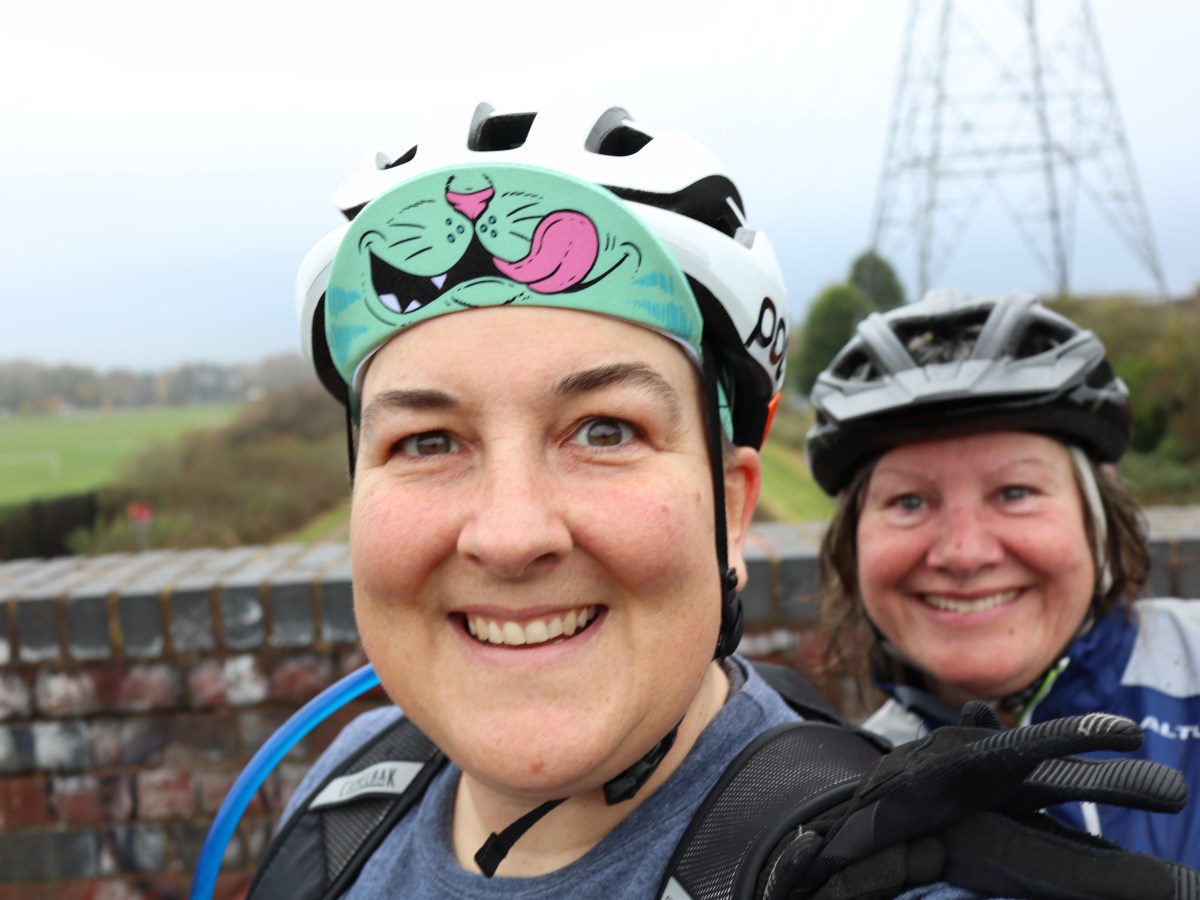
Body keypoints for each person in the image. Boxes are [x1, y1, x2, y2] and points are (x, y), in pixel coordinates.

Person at [246, 103, 1196, 900]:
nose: (509, 533)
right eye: (427, 441)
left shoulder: (880, 869)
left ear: (733, 510)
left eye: (605, 430)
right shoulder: (348, 790)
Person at [807, 287, 1200, 868]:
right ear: (853, 542)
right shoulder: (828, 803)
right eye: (909, 501)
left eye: (1016, 492)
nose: (964, 553)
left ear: (1099, 517)